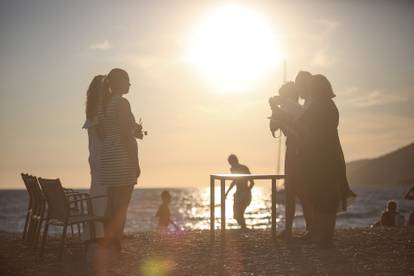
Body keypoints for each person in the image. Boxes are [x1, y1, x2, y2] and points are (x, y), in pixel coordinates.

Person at [296, 73, 356, 248]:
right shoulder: (327, 104)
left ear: (316, 87)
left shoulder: (320, 105)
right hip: (329, 154)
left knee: (324, 197)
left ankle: (325, 238)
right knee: (325, 197)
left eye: (311, 86)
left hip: (322, 156)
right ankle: (324, 237)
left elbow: (305, 126)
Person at [100, 68, 143, 252]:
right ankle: (116, 244)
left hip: (108, 160)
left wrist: (133, 131)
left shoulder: (104, 104)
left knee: (112, 206)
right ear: (118, 82)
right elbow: (126, 135)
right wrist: (136, 162)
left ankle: (109, 241)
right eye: (127, 80)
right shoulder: (122, 103)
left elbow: (111, 132)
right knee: (122, 206)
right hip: (122, 160)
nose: (130, 84)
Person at [269, 82, 312, 240]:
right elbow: (277, 126)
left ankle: (309, 229)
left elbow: (292, 132)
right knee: (292, 192)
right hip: (293, 152)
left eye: (283, 96)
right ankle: (291, 229)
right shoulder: (292, 110)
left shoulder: (297, 110)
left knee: (300, 192)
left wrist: (276, 111)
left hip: (297, 153)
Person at [82, 75, 107, 242]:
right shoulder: (98, 110)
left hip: (96, 156)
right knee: (101, 194)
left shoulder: (92, 109)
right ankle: (98, 233)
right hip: (101, 157)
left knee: (98, 193)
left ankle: (96, 232)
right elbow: (103, 135)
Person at [225, 154, 254, 230]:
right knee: (236, 215)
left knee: (240, 213)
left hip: (244, 193)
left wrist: (246, 191)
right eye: (230, 163)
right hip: (238, 193)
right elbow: (234, 181)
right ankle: (244, 228)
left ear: (236, 161)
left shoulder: (244, 168)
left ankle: (244, 228)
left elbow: (252, 182)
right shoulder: (232, 169)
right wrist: (227, 192)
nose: (232, 165)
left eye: (232, 163)